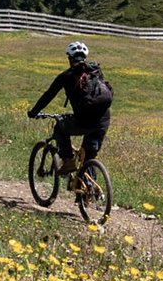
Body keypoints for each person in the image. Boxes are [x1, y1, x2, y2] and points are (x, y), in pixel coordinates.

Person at [28, 41, 112, 183]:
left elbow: (48, 95)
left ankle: (68, 161)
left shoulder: (67, 75)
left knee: (60, 127)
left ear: (69, 58)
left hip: (83, 121)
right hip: (103, 121)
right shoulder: (96, 71)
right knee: (88, 156)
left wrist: (34, 112)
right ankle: (90, 190)